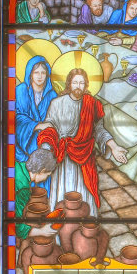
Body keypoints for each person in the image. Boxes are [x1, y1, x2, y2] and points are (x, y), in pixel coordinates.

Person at [37, 68, 128, 216]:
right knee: (63, 193)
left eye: (81, 82)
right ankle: (60, 223)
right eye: (75, 82)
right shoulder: (56, 103)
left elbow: (99, 130)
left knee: (84, 194)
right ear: (69, 84)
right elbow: (49, 129)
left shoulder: (92, 104)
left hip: (84, 158)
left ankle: (86, 223)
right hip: (63, 159)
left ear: (86, 85)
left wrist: (114, 146)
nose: (78, 86)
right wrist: (45, 150)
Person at [15, 56, 57, 190]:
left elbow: (56, 121)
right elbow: (15, 118)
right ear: (30, 73)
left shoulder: (52, 95)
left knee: (43, 187)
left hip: (44, 146)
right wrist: (37, 126)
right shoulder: (20, 91)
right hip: (23, 146)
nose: (40, 76)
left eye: (43, 73)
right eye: (36, 72)